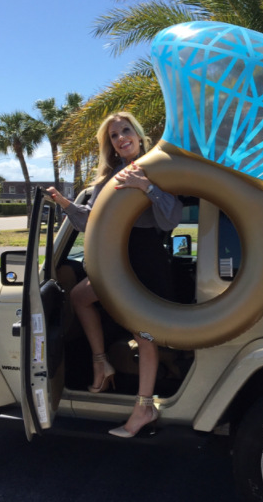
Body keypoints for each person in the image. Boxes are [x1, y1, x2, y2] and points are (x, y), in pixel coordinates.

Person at [46, 112, 182, 438]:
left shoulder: (157, 166)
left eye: (125, 130)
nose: (121, 138)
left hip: (145, 258)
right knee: (79, 296)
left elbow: (171, 218)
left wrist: (146, 186)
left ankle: (144, 407)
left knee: (144, 332)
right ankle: (100, 361)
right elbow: (92, 222)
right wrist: (64, 202)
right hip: (116, 261)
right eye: (114, 136)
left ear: (138, 133)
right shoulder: (110, 178)